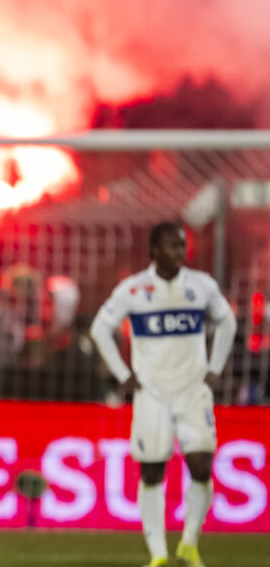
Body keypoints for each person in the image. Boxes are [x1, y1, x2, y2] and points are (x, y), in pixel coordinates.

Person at [90, 222, 236, 567]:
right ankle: (158, 555)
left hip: (192, 391)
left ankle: (189, 544)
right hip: (152, 394)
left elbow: (228, 321)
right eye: (172, 246)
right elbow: (100, 329)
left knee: (201, 465)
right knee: (152, 471)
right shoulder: (134, 289)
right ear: (154, 250)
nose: (180, 252)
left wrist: (215, 367)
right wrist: (124, 375)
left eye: (182, 245)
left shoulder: (201, 286)